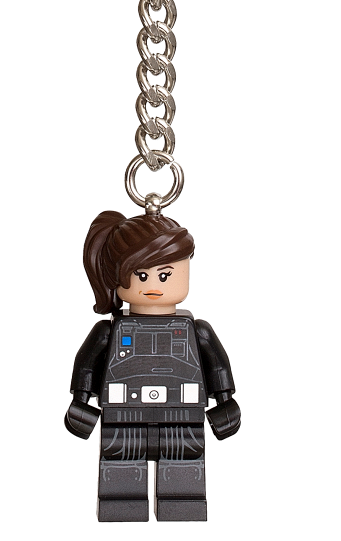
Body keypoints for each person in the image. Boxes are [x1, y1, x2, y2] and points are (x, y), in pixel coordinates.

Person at [65, 209, 241, 522]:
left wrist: (225, 400)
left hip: (183, 416)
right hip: (123, 416)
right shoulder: (109, 331)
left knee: (184, 462)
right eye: (141, 275)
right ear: (117, 276)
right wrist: (80, 401)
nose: (153, 285)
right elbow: (87, 363)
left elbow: (217, 364)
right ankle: (121, 507)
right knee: (120, 465)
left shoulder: (196, 330)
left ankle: (182, 505)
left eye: (165, 274)